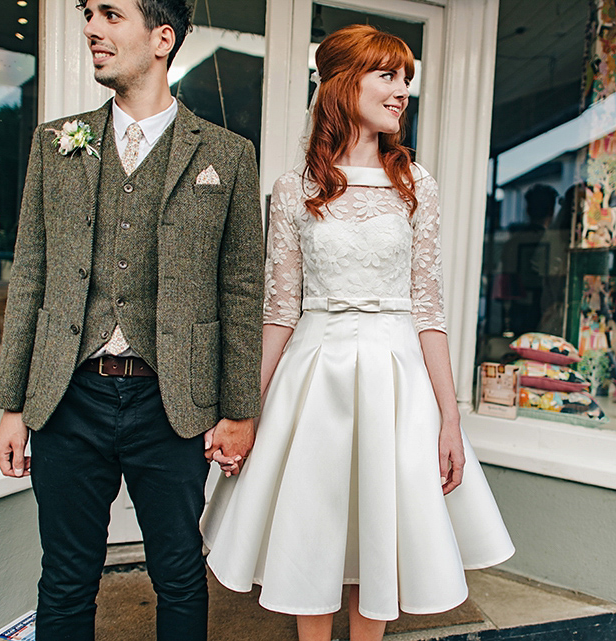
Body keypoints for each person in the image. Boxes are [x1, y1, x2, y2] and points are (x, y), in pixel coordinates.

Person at [200, 24, 515, 641]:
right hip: (313, 378)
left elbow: (429, 310)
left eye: (406, 81)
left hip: (397, 378)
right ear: (342, 85)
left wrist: (451, 421)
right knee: (312, 523)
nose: (402, 93)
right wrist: (246, 410)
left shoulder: (416, 186)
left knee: (383, 524)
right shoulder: (293, 190)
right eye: (387, 76)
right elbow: (279, 310)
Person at [0, 0, 263, 639]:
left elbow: (242, 294)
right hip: (68, 395)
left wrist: (239, 409)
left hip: (173, 400)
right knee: (65, 575)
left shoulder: (227, 153)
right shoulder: (54, 144)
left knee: (177, 572)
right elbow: (30, 276)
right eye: (89, 14)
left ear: (162, 38)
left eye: (111, 15)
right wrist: (12, 404)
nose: (91, 28)